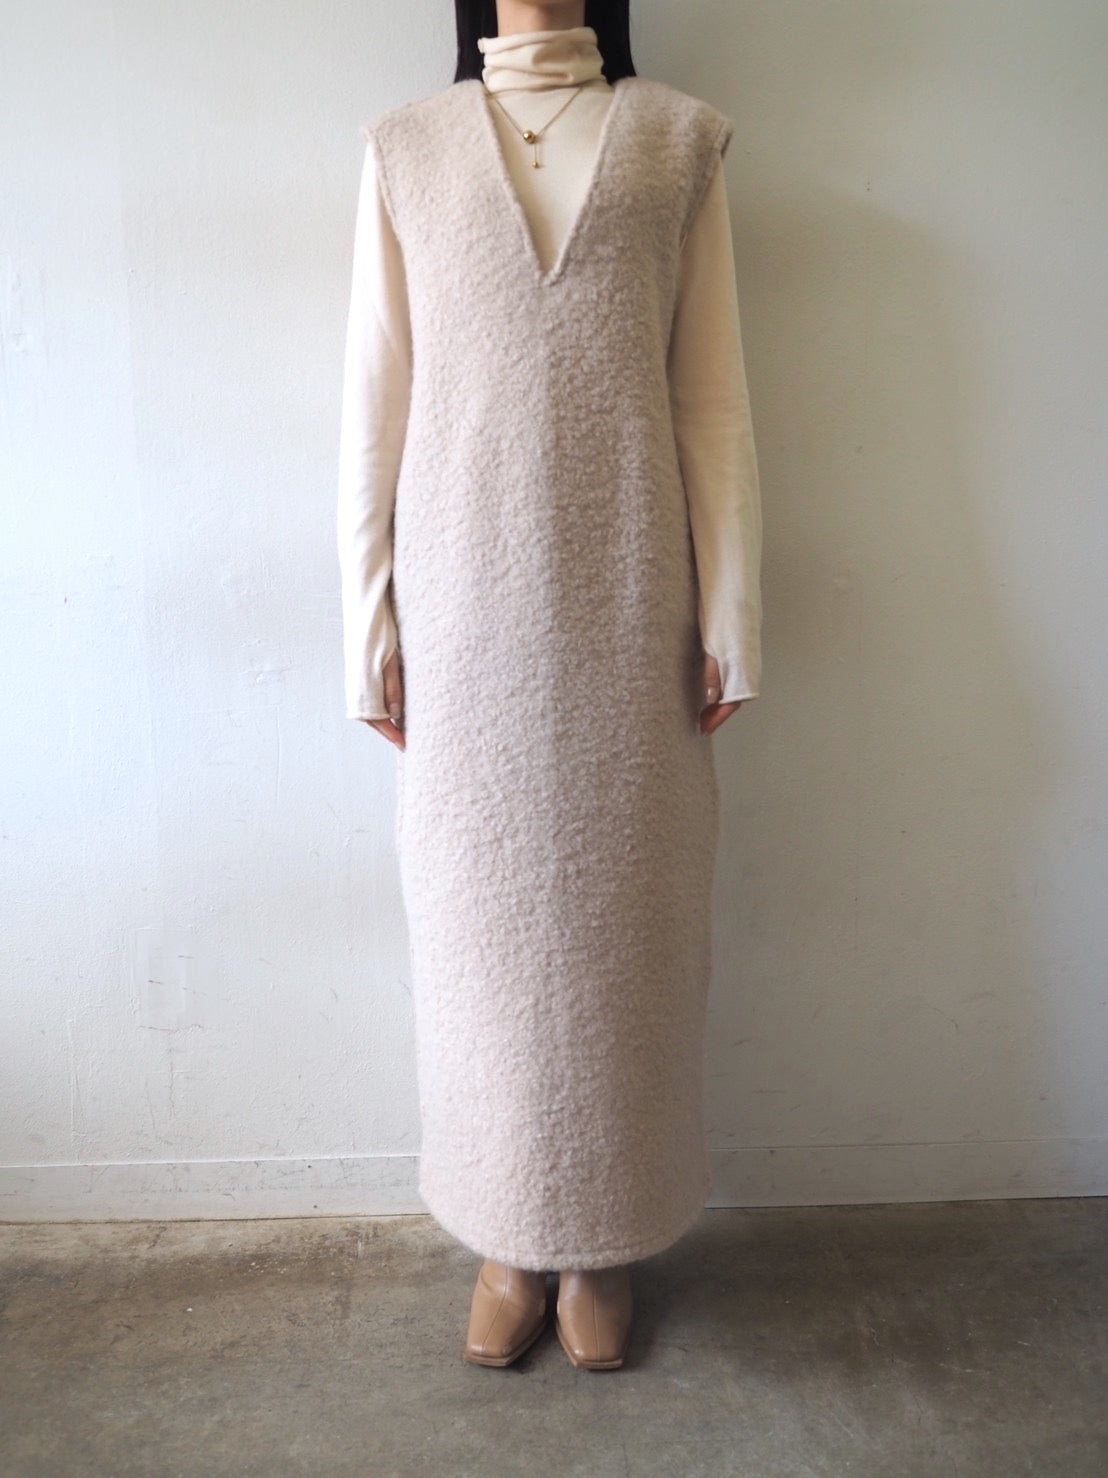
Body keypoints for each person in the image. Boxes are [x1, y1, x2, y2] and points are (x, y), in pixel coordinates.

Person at [337, 0, 762, 1370]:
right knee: (480, 937)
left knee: (627, 932)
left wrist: (732, 609)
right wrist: (368, 622)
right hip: (464, 615)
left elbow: (712, 399)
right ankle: (506, 1236)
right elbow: (375, 402)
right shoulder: (406, 149)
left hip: (633, 603)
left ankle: (603, 1241)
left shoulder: (677, 143)